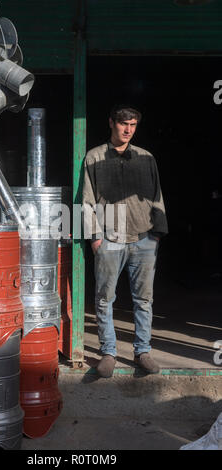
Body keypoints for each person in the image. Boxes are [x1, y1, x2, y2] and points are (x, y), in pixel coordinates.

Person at [82, 104, 168, 378]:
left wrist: (156, 233)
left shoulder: (146, 158)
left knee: (144, 299)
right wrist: (95, 238)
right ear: (111, 123)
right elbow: (87, 201)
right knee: (105, 298)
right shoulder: (94, 157)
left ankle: (142, 351)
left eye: (132, 125)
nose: (128, 130)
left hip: (144, 238)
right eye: (123, 125)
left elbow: (157, 196)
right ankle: (108, 352)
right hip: (110, 238)